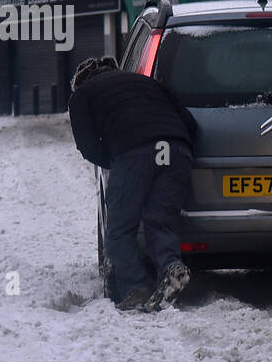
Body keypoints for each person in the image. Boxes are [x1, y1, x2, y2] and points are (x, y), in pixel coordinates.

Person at [68, 56, 197, 311]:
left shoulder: (82, 96)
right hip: (176, 148)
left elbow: (88, 146)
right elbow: (189, 123)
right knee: (160, 219)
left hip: (133, 151)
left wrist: (120, 160)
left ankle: (135, 287)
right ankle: (171, 268)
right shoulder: (146, 81)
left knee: (118, 229)